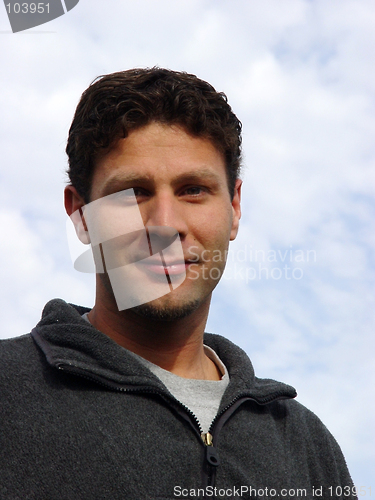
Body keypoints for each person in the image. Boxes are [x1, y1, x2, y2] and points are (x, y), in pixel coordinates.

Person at [0, 68, 356, 500]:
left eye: (192, 190)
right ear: (80, 214)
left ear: (235, 207)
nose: (164, 226)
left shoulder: (307, 447)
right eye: (133, 193)